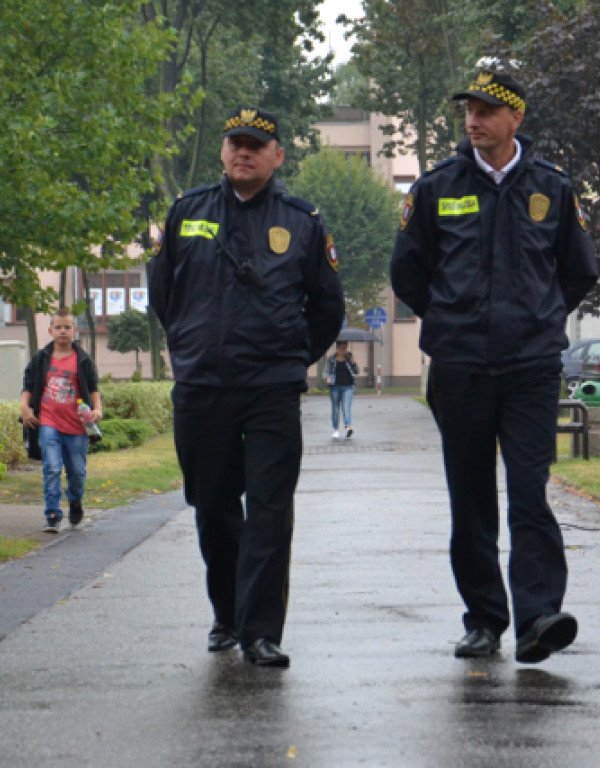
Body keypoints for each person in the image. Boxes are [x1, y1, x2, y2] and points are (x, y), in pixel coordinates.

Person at [391, 67, 599, 664]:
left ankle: (538, 617)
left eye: (486, 111)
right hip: (460, 369)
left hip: (531, 368)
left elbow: (577, 269)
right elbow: (407, 271)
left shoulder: (553, 189)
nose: (473, 121)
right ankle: (484, 621)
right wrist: (452, 320)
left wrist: (538, 315)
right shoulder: (435, 188)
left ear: (517, 118)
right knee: (472, 497)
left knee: (529, 492)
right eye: (468, 111)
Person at [149, 107, 345, 668]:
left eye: (257, 145)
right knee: (212, 506)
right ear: (222, 151)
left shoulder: (302, 220)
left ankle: (261, 632)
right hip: (202, 387)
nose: (244, 152)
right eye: (236, 143)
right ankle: (227, 613)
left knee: (268, 509)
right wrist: (189, 345)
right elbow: (163, 293)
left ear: (277, 156)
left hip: (270, 392)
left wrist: (288, 356)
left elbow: (328, 307)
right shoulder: (186, 213)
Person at [20, 308, 102, 533]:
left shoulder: (83, 360)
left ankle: (75, 500)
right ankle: (53, 514)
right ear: (50, 330)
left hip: (76, 426)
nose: (63, 331)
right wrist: (25, 408)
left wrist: (97, 410)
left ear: (75, 330)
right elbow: (27, 385)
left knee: (76, 472)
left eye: (67, 327)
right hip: (48, 423)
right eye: (58, 327)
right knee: (52, 468)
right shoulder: (41, 358)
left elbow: (93, 389)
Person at [325, 340, 358, 439]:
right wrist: (327, 378)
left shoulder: (348, 358)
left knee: (346, 407)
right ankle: (336, 429)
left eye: (345, 348)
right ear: (337, 348)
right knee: (335, 409)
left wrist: (354, 363)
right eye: (341, 348)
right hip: (335, 386)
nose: (343, 350)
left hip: (348, 387)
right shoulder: (331, 359)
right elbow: (325, 371)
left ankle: (348, 427)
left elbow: (356, 371)